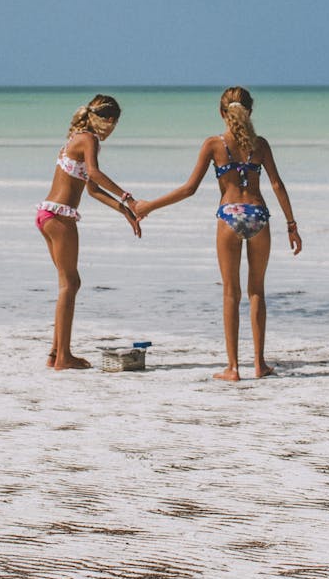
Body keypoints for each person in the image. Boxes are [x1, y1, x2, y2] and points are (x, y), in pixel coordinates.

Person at [132, 86, 301, 382]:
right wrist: (291, 224)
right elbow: (276, 185)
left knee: (230, 293)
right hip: (259, 214)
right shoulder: (260, 144)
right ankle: (259, 365)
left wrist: (149, 206)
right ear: (251, 111)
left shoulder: (214, 144)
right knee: (257, 290)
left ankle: (233, 368)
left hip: (229, 216)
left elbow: (188, 189)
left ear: (221, 112)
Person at [37, 95, 141, 370]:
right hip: (60, 216)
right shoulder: (89, 139)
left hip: (47, 214)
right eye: (114, 123)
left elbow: (92, 189)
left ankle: (54, 353)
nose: (113, 129)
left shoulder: (76, 138)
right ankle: (63, 357)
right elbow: (94, 174)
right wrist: (128, 197)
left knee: (67, 283)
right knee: (70, 285)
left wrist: (123, 210)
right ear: (109, 120)